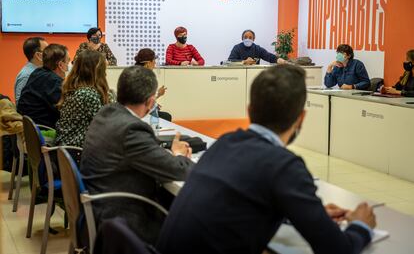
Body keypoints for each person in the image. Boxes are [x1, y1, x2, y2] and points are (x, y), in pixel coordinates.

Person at [157, 64, 376, 254]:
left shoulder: (223, 143)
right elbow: (338, 249)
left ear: (249, 111)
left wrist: (302, 212)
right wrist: (361, 226)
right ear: (301, 118)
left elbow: (242, 199)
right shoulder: (285, 165)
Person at [80, 66, 194, 244]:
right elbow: (178, 171)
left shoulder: (106, 113)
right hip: (123, 218)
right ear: (150, 102)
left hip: (100, 204)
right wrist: (178, 155)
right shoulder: (131, 129)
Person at [55, 50, 112, 148]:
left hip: (66, 147)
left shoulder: (73, 89)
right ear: (97, 71)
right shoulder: (88, 95)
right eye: (104, 70)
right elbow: (105, 127)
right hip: (79, 151)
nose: (105, 74)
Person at [17, 44, 70, 128]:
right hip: (43, 131)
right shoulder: (54, 81)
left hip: (28, 129)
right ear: (60, 65)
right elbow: (65, 111)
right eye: (68, 61)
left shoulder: (37, 72)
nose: (69, 65)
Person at [134, 48, 172, 121]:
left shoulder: (135, 73)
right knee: (166, 116)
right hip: (140, 114)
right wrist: (158, 93)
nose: (154, 64)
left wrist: (155, 104)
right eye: (154, 61)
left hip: (137, 111)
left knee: (166, 116)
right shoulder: (143, 77)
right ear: (148, 63)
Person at [14, 37, 49, 104]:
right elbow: (21, 105)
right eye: (47, 51)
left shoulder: (41, 72)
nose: (51, 53)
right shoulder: (26, 76)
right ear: (38, 55)